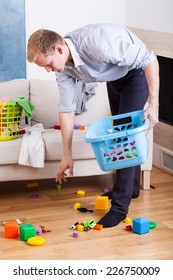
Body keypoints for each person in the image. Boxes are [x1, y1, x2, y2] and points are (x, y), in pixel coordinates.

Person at [27, 23, 159, 228]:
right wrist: (66, 154)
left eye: (49, 64)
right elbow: (66, 110)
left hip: (135, 75)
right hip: (114, 80)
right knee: (120, 134)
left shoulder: (98, 44)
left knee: (123, 138)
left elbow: (149, 59)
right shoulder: (64, 70)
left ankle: (119, 208)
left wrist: (154, 105)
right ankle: (130, 189)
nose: (48, 70)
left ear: (59, 50)